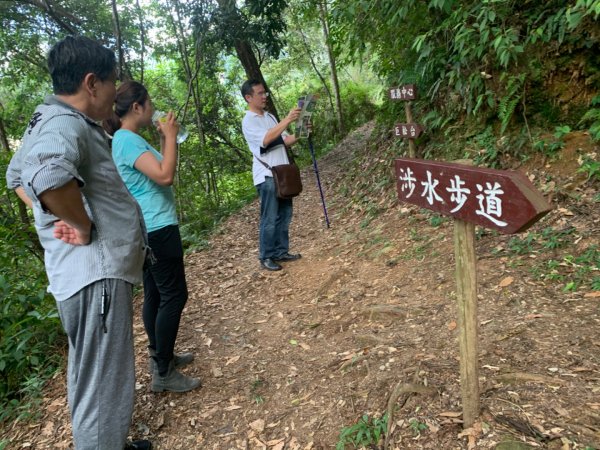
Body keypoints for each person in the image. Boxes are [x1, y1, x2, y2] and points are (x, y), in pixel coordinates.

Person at [5, 36, 151, 450]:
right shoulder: (64, 123)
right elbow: (47, 178)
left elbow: (18, 178)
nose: (113, 93)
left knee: (93, 376)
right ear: (91, 83)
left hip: (81, 274)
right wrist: (80, 224)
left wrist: (54, 213)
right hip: (95, 273)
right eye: (110, 83)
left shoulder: (44, 120)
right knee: (103, 382)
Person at [103, 81, 201, 393]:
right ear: (137, 107)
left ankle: (162, 356)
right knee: (174, 295)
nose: (153, 107)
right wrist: (171, 137)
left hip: (148, 228)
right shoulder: (127, 140)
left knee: (156, 295)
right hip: (156, 228)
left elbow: (160, 168)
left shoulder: (127, 139)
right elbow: (165, 175)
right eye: (149, 102)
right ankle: (163, 371)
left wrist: (164, 139)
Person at [241, 79, 303, 271]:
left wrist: (301, 132)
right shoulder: (249, 120)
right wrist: (287, 119)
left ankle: (281, 251)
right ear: (248, 97)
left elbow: (284, 141)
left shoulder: (269, 116)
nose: (264, 96)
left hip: (282, 173)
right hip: (266, 176)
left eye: (264, 93)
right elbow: (266, 140)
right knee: (269, 217)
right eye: (260, 93)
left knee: (285, 214)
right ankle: (266, 256)